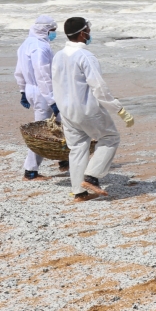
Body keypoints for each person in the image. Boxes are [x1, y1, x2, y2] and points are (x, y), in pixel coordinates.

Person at [52, 17, 134, 202]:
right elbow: (99, 88)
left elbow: (55, 84)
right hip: (87, 108)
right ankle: (91, 177)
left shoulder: (58, 55)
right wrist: (119, 109)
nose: (89, 32)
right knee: (110, 138)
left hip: (66, 110)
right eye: (88, 29)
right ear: (82, 33)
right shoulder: (86, 56)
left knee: (78, 148)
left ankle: (79, 192)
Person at [14, 15, 64, 179]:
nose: (54, 34)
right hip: (43, 92)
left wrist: (22, 90)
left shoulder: (26, 44)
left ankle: (65, 160)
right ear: (46, 30)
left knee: (58, 124)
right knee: (43, 131)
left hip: (32, 89)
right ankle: (30, 170)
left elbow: (19, 71)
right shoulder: (39, 48)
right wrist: (52, 99)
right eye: (53, 31)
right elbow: (43, 75)